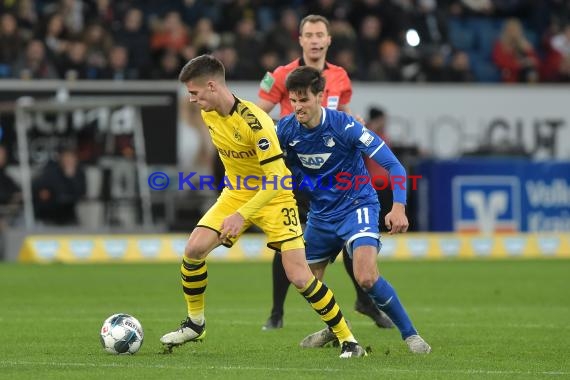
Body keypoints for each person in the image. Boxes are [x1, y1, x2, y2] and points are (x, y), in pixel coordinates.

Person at [160, 54, 366, 358]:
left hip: (275, 196)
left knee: (299, 276)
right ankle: (195, 323)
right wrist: (236, 205)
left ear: (213, 86)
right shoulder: (209, 112)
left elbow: (278, 178)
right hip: (236, 194)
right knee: (193, 250)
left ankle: (348, 339)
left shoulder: (255, 123)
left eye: (194, 92)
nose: (191, 100)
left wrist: (241, 216)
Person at [276, 66, 431, 354]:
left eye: (304, 100)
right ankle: (337, 328)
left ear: (320, 96)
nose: (298, 107)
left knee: (366, 276)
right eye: (293, 101)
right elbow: (268, 161)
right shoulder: (284, 130)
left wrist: (399, 207)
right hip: (320, 215)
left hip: (356, 206)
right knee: (303, 279)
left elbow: (394, 165)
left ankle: (411, 336)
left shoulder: (345, 126)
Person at [258, 14, 393, 331]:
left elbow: (341, 115)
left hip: (333, 171)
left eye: (321, 34)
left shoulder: (341, 77)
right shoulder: (280, 75)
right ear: (300, 39)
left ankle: (363, 300)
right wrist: (281, 136)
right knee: (289, 236)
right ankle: (276, 311)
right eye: (310, 34)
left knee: (349, 234)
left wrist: (353, 119)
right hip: (296, 170)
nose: (316, 40)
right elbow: (258, 115)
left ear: (329, 40)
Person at [32, 145, 86, 226]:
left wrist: (70, 177)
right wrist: (43, 192)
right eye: (66, 158)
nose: (68, 161)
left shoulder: (79, 173)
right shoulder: (52, 171)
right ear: (61, 159)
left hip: (69, 212)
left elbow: (81, 192)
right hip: (51, 212)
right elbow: (38, 186)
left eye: (71, 158)